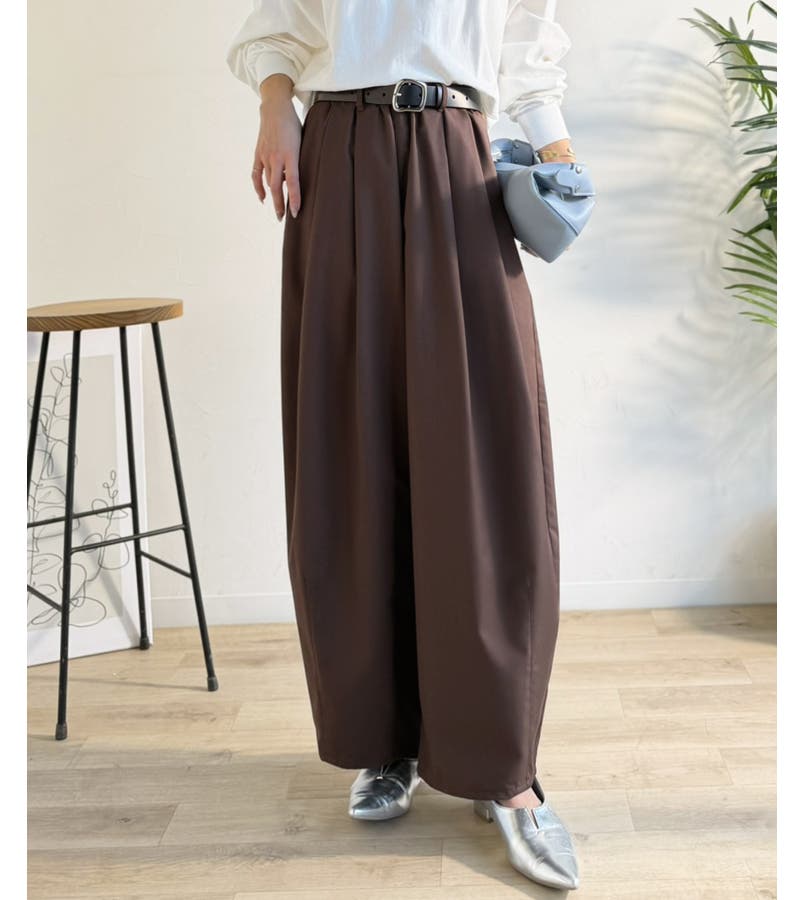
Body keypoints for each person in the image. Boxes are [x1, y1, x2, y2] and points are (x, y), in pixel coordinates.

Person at [226, 1, 581, 890]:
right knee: (352, 448)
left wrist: (561, 155)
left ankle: (504, 768)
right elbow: (278, 25)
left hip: (458, 156)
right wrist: (275, 108)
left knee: (482, 460)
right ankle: (385, 741)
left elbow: (527, 43)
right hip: (337, 152)